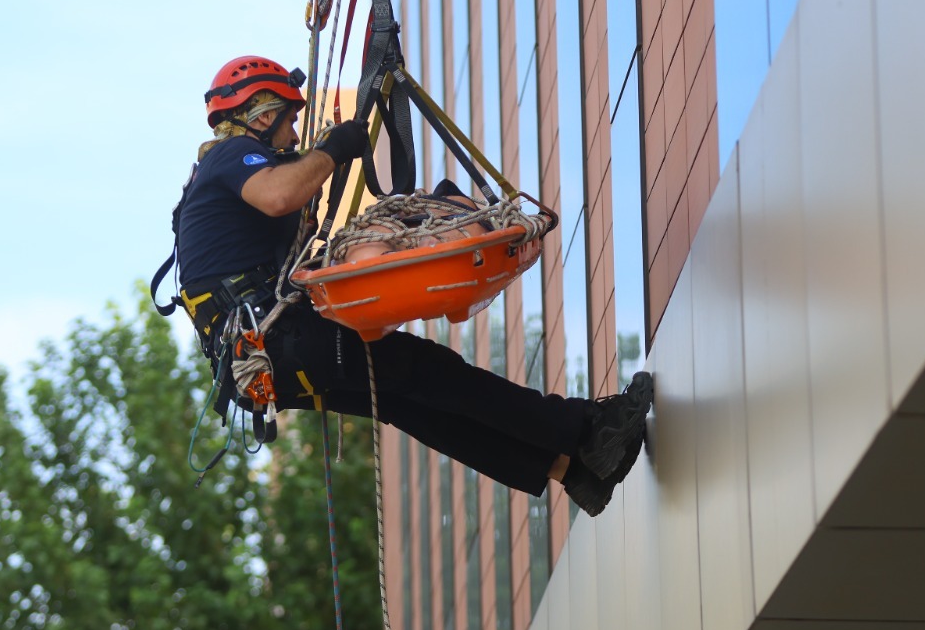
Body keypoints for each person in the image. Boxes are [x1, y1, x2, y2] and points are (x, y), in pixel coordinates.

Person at [165, 55, 652, 516]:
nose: (293, 134)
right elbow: (279, 194)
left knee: (411, 401)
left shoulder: (214, 183)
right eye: (288, 118)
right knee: (430, 373)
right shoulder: (233, 155)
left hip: (262, 364)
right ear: (259, 113)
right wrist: (332, 150)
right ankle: (589, 432)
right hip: (275, 343)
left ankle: (571, 468)